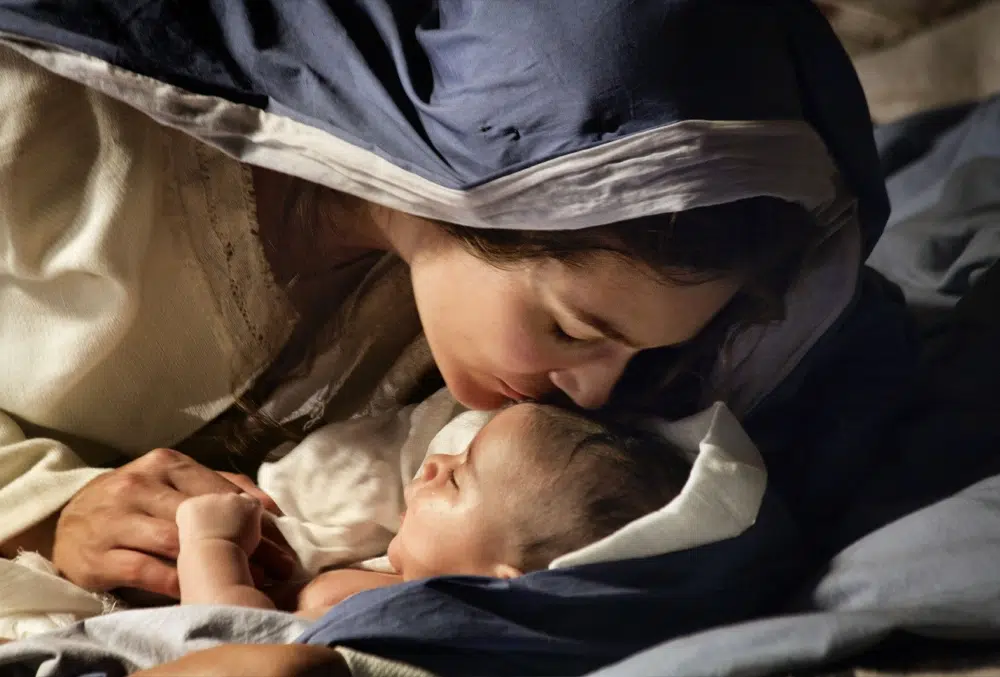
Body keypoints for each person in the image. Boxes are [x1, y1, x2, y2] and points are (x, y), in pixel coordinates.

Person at [0, 1, 917, 675]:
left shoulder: (505, 387)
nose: (595, 394)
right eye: (570, 326)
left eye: (633, 354)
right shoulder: (45, 133)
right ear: (470, 193)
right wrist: (48, 505)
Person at [175, 403, 690, 616]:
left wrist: (210, 548)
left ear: (503, 581)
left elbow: (235, 649)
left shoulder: (404, 615)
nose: (433, 465)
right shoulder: (389, 586)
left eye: (459, 478)